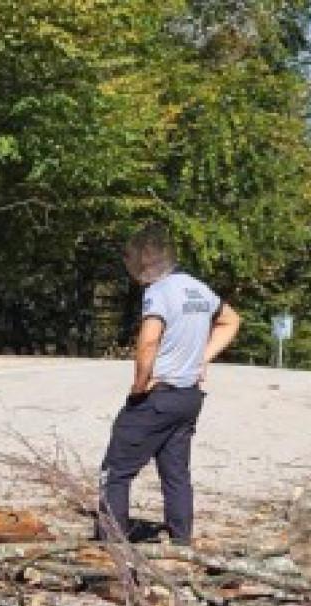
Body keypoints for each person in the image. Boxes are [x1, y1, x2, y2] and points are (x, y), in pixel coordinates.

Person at [98, 224, 240, 547]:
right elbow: (231, 320)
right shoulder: (197, 288)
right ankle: (181, 543)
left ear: (147, 260)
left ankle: (111, 543)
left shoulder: (158, 292)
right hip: (189, 397)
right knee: (176, 473)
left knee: (115, 471)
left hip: (158, 397)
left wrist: (138, 387)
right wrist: (202, 359)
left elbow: (148, 342)